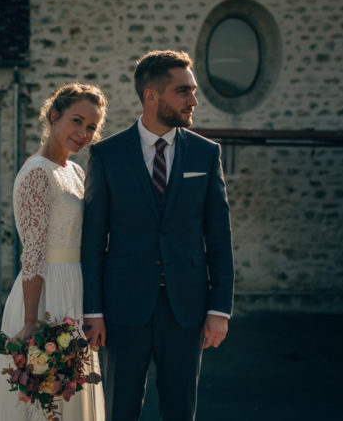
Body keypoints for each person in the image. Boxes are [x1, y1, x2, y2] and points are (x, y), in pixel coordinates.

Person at [80, 50, 234, 421]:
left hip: (187, 308)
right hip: (123, 308)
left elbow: (219, 234)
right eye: (184, 91)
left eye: (193, 91)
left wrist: (219, 309)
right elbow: (92, 238)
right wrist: (93, 310)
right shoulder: (107, 154)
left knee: (181, 410)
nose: (193, 100)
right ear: (152, 96)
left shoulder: (205, 154)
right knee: (121, 409)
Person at [0, 82, 109, 421]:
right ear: (54, 116)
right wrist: (30, 323)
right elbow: (32, 253)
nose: (83, 132)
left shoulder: (74, 171)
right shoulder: (36, 173)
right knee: (44, 403)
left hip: (74, 289)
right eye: (76, 121)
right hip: (44, 296)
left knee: (71, 397)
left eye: (91, 127)